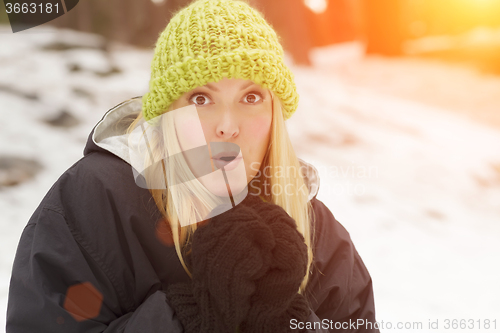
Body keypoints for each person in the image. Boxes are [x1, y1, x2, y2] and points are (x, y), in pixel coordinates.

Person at [6, 0, 380, 332]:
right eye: (201, 97)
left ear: (274, 114)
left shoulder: (320, 236)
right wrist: (191, 315)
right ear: (167, 113)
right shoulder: (92, 204)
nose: (227, 126)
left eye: (251, 96)